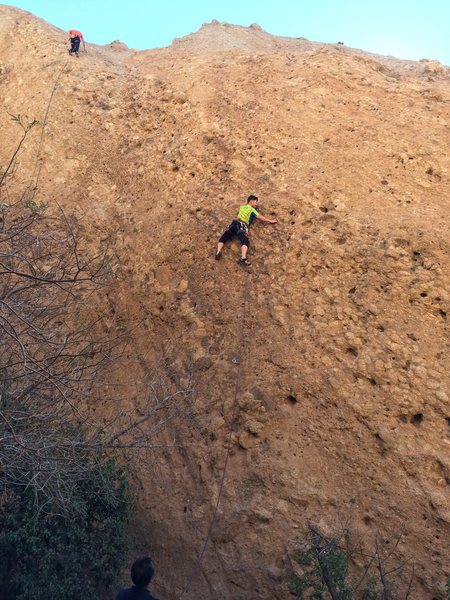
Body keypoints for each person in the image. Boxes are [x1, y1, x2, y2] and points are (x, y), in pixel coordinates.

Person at [215, 194, 277, 266]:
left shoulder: (242, 207)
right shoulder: (251, 209)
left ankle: (218, 251)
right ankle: (243, 258)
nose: (256, 204)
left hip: (234, 223)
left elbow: (237, 217)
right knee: (245, 241)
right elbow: (259, 217)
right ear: (251, 201)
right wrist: (270, 220)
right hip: (242, 225)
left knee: (224, 238)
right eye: (255, 202)